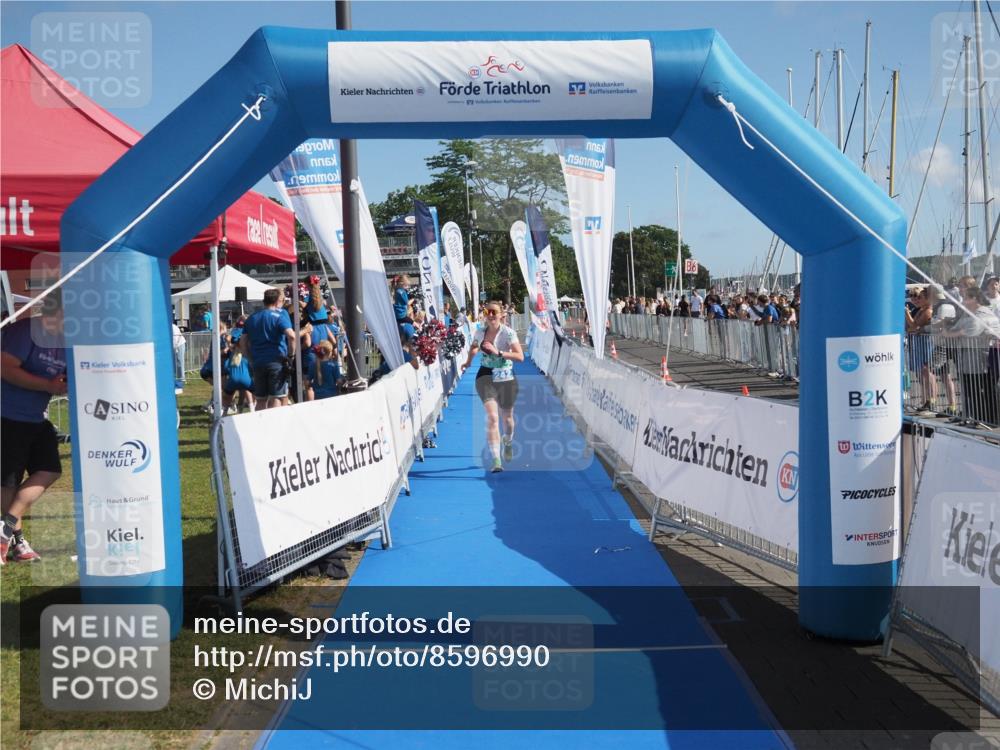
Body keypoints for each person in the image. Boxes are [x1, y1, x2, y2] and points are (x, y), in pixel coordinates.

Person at [1, 293, 66, 563]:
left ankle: (5, 531)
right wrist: (48, 386)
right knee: (7, 483)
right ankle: (15, 541)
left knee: (49, 469)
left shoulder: (67, 341)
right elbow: (4, 367)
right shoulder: (25, 330)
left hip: (35, 418)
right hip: (5, 415)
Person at [463, 301, 525, 473]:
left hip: (506, 376)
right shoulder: (480, 332)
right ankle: (496, 460)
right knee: (492, 417)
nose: (490, 315)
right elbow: (474, 346)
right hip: (485, 375)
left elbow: (520, 357)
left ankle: (508, 440)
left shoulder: (508, 333)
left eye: (494, 312)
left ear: (501, 315)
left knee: (507, 419)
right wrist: (468, 361)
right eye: (487, 312)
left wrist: (498, 353)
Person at [940, 286, 1000, 425]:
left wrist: (953, 333)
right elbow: (956, 330)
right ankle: (972, 418)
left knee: (980, 391)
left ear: (974, 299)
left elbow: (969, 333)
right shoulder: (968, 314)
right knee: (969, 390)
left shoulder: (983, 314)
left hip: (981, 361)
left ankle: (985, 420)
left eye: (966, 297)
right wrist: (951, 330)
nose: (963, 300)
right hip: (968, 360)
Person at [242, 288, 296, 409]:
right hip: (276, 361)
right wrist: (291, 356)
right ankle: (274, 425)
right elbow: (292, 336)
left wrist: (249, 358)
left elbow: (243, 340)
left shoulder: (251, 318)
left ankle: (260, 425)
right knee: (276, 396)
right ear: (277, 301)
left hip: (258, 361)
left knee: (261, 399)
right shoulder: (278, 316)